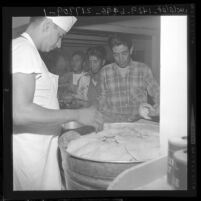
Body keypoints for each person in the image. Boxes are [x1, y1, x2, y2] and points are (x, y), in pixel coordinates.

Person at [12, 16, 103, 191]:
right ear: (47, 25)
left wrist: (60, 130)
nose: (59, 44)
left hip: (39, 153)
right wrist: (77, 114)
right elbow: (19, 112)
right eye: (60, 36)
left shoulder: (27, 50)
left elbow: (37, 104)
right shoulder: (23, 49)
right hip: (31, 156)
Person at [98, 34, 160, 122]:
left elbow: (158, 93)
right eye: (116, 55)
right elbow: (101, 102)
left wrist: (158, 108)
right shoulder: (105, 72)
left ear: (131, 50)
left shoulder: (143, 69)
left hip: (138, 123)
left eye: (124, 53)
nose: (120, 59)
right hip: (114, 123)